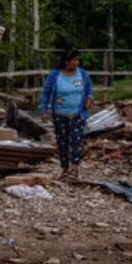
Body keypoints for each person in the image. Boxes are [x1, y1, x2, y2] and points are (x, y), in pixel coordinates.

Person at [39, 49, 94, 180]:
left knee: (76, 140)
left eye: (78, 60)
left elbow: (89, 87)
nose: (77, 63)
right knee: (62, 141)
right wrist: (44, 110)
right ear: (66, 62)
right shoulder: (55, 75)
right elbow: (45, 92)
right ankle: (65, 168)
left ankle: (74, 168)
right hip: (60, 114)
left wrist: (89, 97)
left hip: (77, 114)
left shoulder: (82, 74)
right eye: (74, 60)